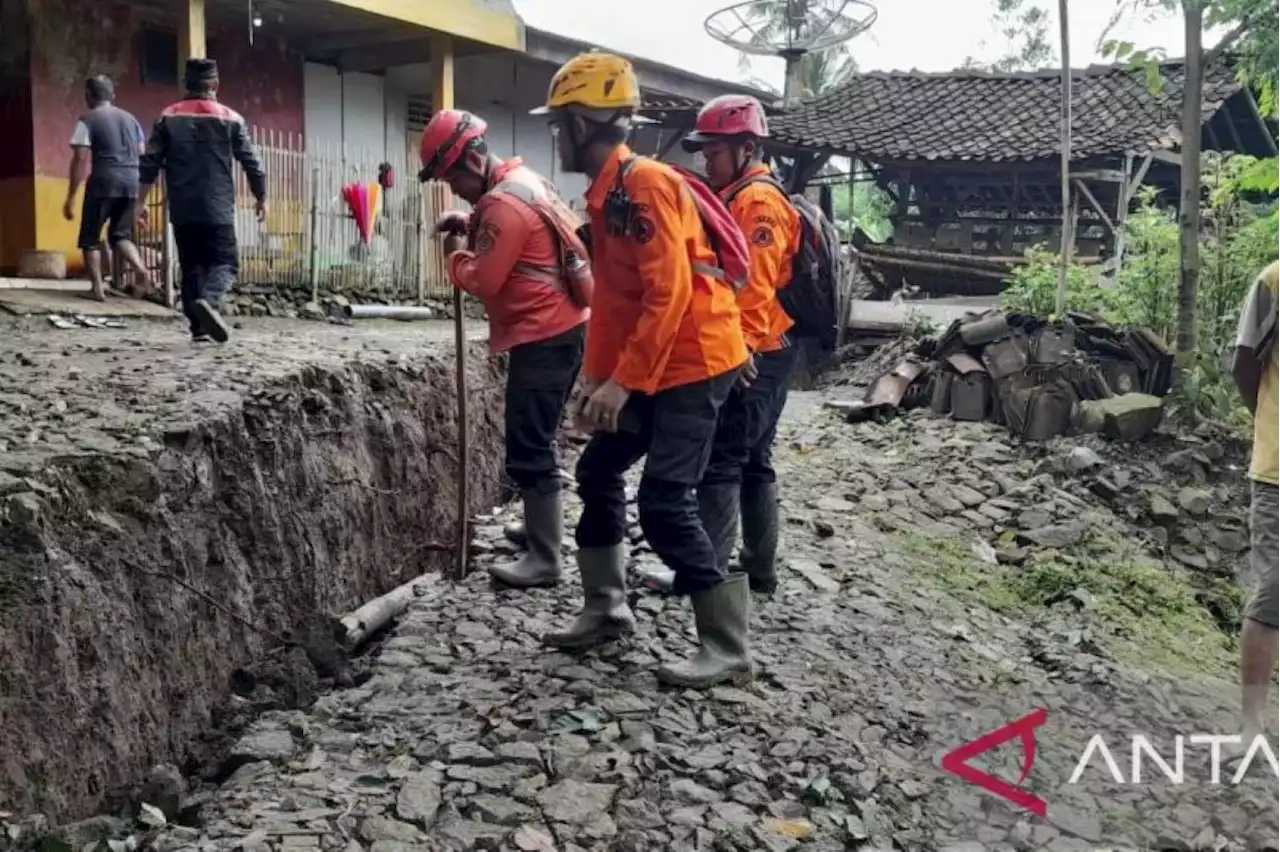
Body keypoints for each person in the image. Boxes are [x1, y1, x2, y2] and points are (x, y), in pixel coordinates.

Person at [530, 51, 754, 689]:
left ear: (580, 125)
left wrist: (622, 383)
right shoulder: (609, 195)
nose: (557, 135)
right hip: (654, 362)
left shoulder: (646, 185)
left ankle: (726, 643)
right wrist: (599, 383)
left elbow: (670, 294)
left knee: (662, 500)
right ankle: (606, 607)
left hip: (692, 362)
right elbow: (616, 306)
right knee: (598, 468)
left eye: (559, 123)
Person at [420, 108, 591, 589]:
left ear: (471, 163)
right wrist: (471, 222)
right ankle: (541, 530)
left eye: (451, 177)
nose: (451, 187)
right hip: (563, 327)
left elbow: (488, 279)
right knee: (541, 434)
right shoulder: (522, 181)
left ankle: (545, 557)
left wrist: (458, 261)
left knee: (528, 444)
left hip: (543, 333)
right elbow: (518, 232)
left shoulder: (501, 206)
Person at [642, 95, 802, 597]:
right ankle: (757, 570)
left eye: (713, 152)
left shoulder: (757, 201)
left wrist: (744, 347)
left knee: (726, 460)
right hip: (770, 343)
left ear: (747, 147)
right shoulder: (738, 192)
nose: (704, 161)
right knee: (753, 458)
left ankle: (705, 573)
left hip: (761, 348)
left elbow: (756, 282)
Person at [138, 58, 267, 344]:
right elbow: (252, 163)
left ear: (186, 85)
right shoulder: (230, 119)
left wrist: (140, 202)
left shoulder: (167, 117)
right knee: (226, 263)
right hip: (217, 206)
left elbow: (149, 163)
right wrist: (261, 196)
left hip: (183, 207)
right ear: (215, 85)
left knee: (192, 265)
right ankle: (209, 301)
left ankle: (198, 328)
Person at [1231, 258, 1280, 752]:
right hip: (1278, 470)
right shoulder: (1274, 281)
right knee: (1272, 594)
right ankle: (1251, 727)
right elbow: (1245, 363)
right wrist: (1267, 423)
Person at [62, 75, 151, 301]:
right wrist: (142, 199)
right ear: (112, 96)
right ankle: (141, 270)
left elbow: (80, 159)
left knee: (90, 238)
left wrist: (71, 197)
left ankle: (97, 289)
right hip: (131, 182)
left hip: (103, 182)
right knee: (121, 235)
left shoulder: (88, 119)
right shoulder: (132, 120)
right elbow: (141, 155)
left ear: (88, 96)